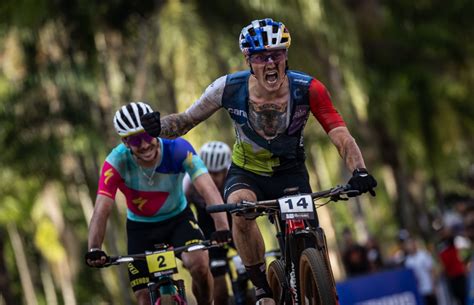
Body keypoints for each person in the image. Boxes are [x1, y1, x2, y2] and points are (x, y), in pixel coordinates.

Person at [141, 18, 377, 305]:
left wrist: (360, 171)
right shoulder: (227, 88)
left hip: (291, 170)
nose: (270, 63)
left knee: (311, 233)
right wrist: (157, 127)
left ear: (285, 56)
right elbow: (185, 121)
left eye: (276, 54)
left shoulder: (308, 88)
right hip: (247, 172)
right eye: (261, 56)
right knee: (241, 209)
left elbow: (340, 133)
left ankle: (324, 289)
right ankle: (263, 288)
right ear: (248, 60)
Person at [85, 102, 231, 305]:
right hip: (140, 229)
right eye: (136, 140)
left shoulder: (178, 148)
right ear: (125, 142)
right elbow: (101, 209)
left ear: (155, 131)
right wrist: (94, 248)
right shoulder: (115, 162)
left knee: (198, 264)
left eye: (147, 135)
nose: (144, 145)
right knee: (144, 299)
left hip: (178, 219)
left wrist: (222, 227)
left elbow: (209, 190)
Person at [184, 141, 233, 305]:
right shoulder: (189, 182)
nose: (212, 178)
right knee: (220, 292)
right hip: (207, 226)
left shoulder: (234, 175)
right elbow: (184, 215)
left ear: (226, 170)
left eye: (217, 173)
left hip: (234, 220)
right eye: (208, 173)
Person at [403, 237, 438, 305]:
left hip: (429, 288)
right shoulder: (408, 261)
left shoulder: (424, 255)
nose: (410, 247)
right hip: (419, 291)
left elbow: (431, 270)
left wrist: (434, 286)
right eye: (408, 245)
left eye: (411, 244)